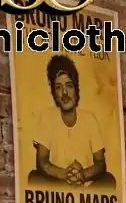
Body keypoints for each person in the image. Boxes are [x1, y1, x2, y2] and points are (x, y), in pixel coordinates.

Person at [30, 54, 114, 186]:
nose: (64, 93)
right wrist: (64, 175)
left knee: (108, 180)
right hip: (58, 189)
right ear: (53, 92)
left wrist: (83, 175)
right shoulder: (46, 118)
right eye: (58, 87)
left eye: (69, 85)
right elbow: (42, 162)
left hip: (86, 189)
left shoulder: (89, 119)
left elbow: (100, 163)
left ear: (76, 89)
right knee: (34, 177)